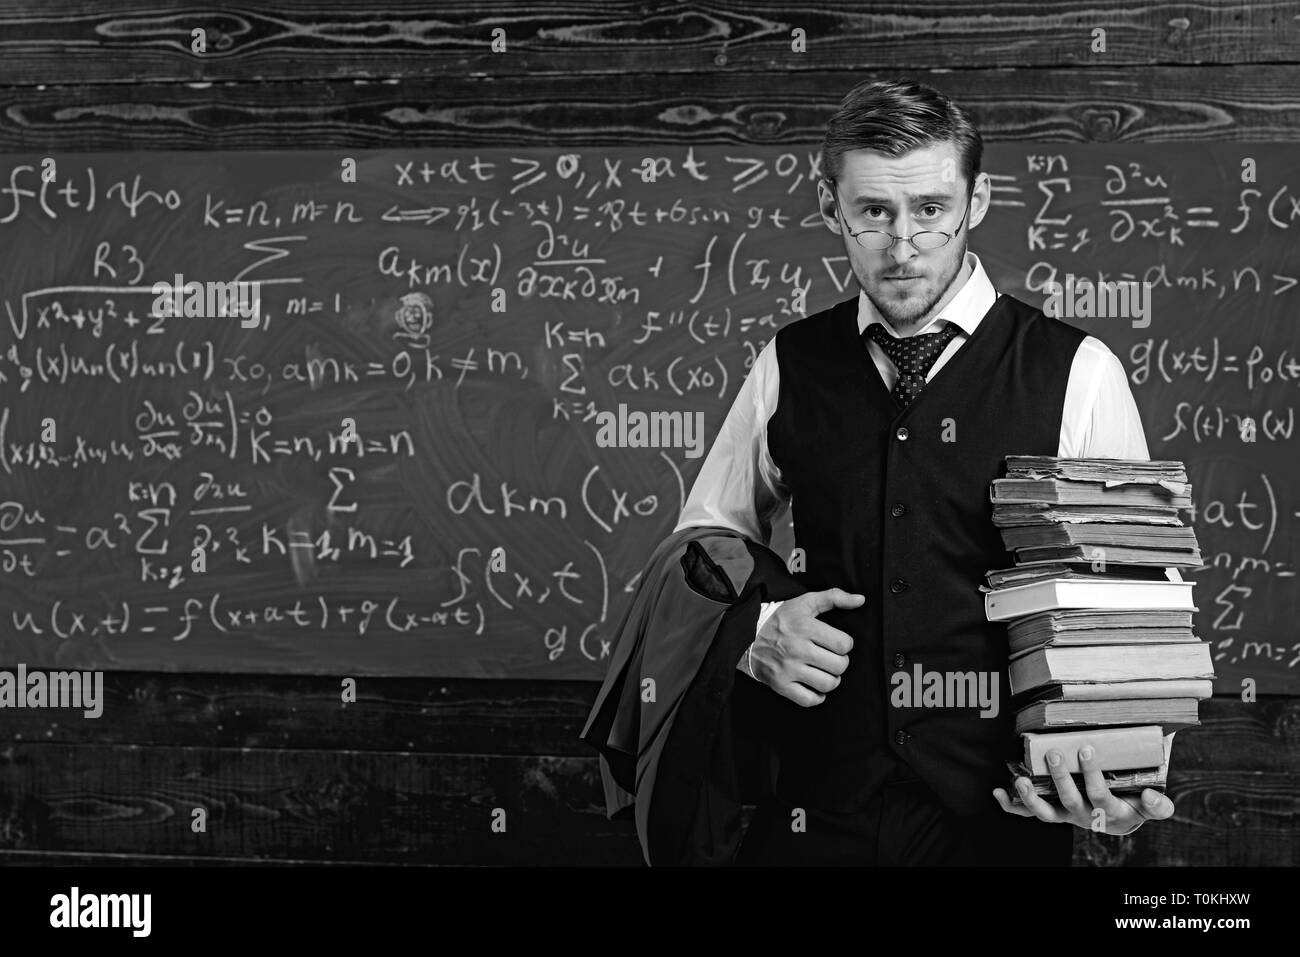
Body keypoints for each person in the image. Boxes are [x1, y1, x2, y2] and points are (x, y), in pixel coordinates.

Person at [580, 78, 1176, 866]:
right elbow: (704, 543)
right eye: (874, 213)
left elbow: (1137, 604)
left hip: (1000, 814)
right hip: (814, 810)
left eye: (930, 209)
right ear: (832, 208)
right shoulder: (789, 362)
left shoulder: (1079, 372)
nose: (903, 245)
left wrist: (1120, 781)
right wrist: (754, 631)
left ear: (977, 199)